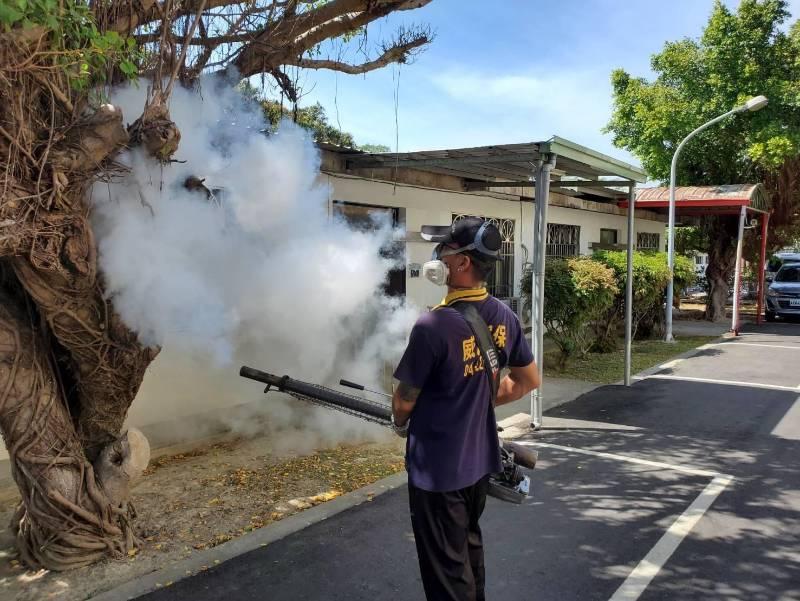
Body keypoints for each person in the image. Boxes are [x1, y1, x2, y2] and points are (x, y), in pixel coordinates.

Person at [391, 216, 540, 601]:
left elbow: (404, 401)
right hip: (479, 464)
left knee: (446, 572)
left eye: (443, 249)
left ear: (462, 263)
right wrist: (478, 398)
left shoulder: (433, 326)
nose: (436, 256)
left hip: (439, 470)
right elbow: (527, 381)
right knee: (468, 550)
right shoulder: (504, 317)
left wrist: (400, 422)